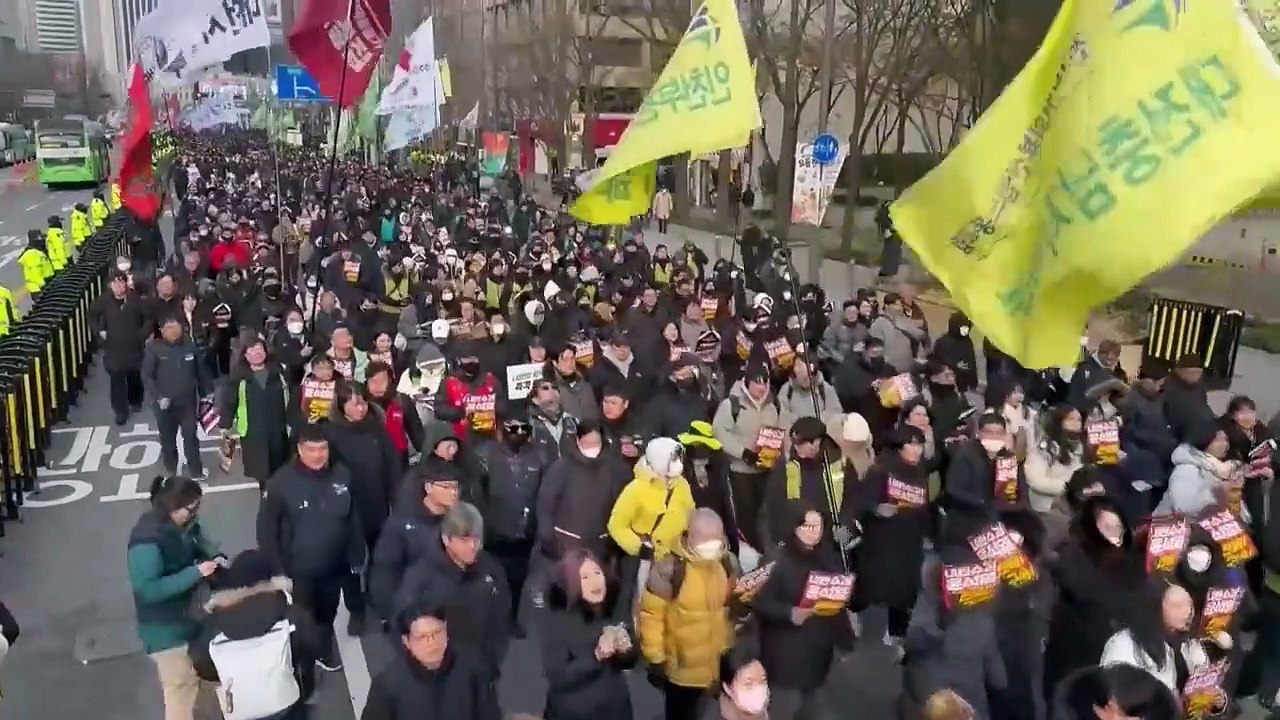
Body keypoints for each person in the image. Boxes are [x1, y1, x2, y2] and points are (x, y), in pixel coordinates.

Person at [257, 424, 366, 672]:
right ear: (299, 449)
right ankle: (303, 667)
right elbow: (266, 530)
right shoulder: (280, 483)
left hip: (334, 567)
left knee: (327, 614)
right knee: (303, 620)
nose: (318, 455)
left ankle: (323, 651)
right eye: (311, 449)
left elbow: (352, 518)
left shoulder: (342, 475)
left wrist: (356, 553)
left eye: (323, 448)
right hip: (299, 572)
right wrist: (277, 570)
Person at [126, 475, 225, 720]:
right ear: (173, 506)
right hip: (166, 632)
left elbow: (198, 536)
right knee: (180, 691)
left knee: (203, 680)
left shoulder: (183, 524)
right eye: (190, 509)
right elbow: (148, 589)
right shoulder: (146, 542)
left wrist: (216, 555)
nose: (194, 514)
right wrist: (196, 573)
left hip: (189, 619)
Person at [189, 549, 324, 720]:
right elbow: (314, 644)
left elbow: (200, 663)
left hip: (240, 708)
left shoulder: (213, 625)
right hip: (283, 700)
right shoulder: (290, 613)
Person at [753, 500, 853, 720]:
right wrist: (789, 613)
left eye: (818, 526)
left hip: (818, 654)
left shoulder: (828, 557)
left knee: (812, 709)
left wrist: (845, 639)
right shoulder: (775, 560)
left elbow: (837, 602)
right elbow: (759, 602)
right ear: (794, 526)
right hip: (784, 658)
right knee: (783, 710)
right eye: (807, 526)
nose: (813, 532)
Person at [637, 508, 739, 720]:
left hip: (718, 662)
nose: (712, 546)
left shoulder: (727, 563)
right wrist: (656, 659)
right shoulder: (669, 570)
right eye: (705, 540)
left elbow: (731, 604)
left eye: (716, 539)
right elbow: (651, 617)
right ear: (689, 536)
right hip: (682, 673)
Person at [393, 502, 512, 680]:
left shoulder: (492, 571)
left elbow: (500, 621)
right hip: (439, 677)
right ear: (446, 539)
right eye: (464, 540)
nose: (473, 546)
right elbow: (402, 629)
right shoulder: (420, 580)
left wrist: (492, 663)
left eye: (476, 539)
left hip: (481, 673)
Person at [361, 596, 502, 720]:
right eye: (422, 637)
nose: (431, 642)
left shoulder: (473, 670)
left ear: (446, 629)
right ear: (406, 641)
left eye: (436, 632)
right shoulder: (388, 684)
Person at [540, 549, 638, 720]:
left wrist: (626, 650)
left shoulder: (616, 607)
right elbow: (557, 676)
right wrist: (596, 656)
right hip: (575, 712)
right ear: (572, 582)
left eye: (597, 573)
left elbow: (631, 659)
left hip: (615, 708)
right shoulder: (557, 619)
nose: (595, 581)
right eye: (585, 577)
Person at [369, 466, 461, 623]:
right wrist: (394, 615)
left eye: (456, 487)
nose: (454, 493)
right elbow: (385, 573)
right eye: (447, 487)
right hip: (415, 611)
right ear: (428, 487)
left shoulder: (459, 521)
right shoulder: (401, 524)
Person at [1099, 582, 1213, 695]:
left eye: (1191, 606)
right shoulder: (1124, 644)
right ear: (1156, 608)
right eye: (1177, 605)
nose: (1188, 612)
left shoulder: (1177, 647)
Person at [142, 316, 212, 478]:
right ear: (162, 330)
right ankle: (171, 473)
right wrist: (158, 397)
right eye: (169, 328)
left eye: (176, 327)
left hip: (187, 403)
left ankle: (196, 472)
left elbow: (200, 370)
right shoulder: (153, 348)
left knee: (191, 437)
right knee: (168, 441)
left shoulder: (189, 344)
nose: (174, 332)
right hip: (164, 405)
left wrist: (207, 392)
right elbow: (147, 376)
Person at [219, 337, 292, 490]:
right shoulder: (239, 377)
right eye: (251, 350)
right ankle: (265, 494)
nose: (256, 353)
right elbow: (230, 401)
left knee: (281, 466)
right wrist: (225, 424)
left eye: (259, 348)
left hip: (278, 428)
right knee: (262, 470)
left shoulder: (279, 372)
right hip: (253, 430)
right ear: (245, 355)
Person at [93, 270, 149, 425]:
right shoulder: (104, 301)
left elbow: (148, 317)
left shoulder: (135, 300)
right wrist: (100, 331)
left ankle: (135, 399)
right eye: (115, 283)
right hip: (113, 346)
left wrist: (142, 334)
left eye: (121, 282)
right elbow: (91, 315)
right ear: (110, 285)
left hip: (132, 346)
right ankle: (120, 411)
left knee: (133, 374)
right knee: (116, 378)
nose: (118, 286)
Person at [711, 642, 770, 720]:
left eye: (763, 681)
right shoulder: (711, 715)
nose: (759, 690)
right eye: (749, 684)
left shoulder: (772, 709)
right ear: (728, 688)